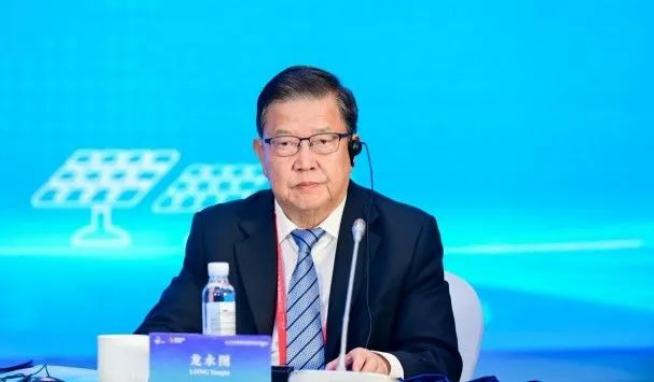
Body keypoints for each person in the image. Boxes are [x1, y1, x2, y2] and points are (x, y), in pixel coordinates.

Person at [136, 66, 462, 381]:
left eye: (323, 141)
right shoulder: (219, 231)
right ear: (261, 155)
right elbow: (154, 342)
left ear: (352, 149)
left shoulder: (407, 235)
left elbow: (439, 357)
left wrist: (384, 364)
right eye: (285, 143)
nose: (305, 163)